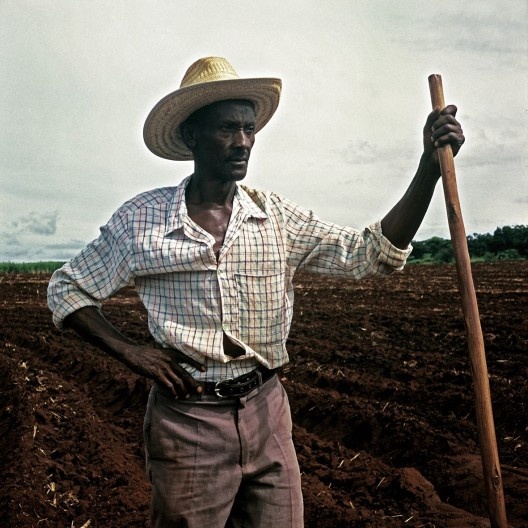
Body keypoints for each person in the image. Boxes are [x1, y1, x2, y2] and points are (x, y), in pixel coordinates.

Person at [47, 56, 465, 527]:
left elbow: (370, 252)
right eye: (227, 128)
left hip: (267, 410)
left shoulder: (275, 218)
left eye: (249, 129)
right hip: (189, 420)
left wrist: (428, 169)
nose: (243, 142)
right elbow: (68, 289)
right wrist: (130, 351)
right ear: (191, 135)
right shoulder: (142, 221)